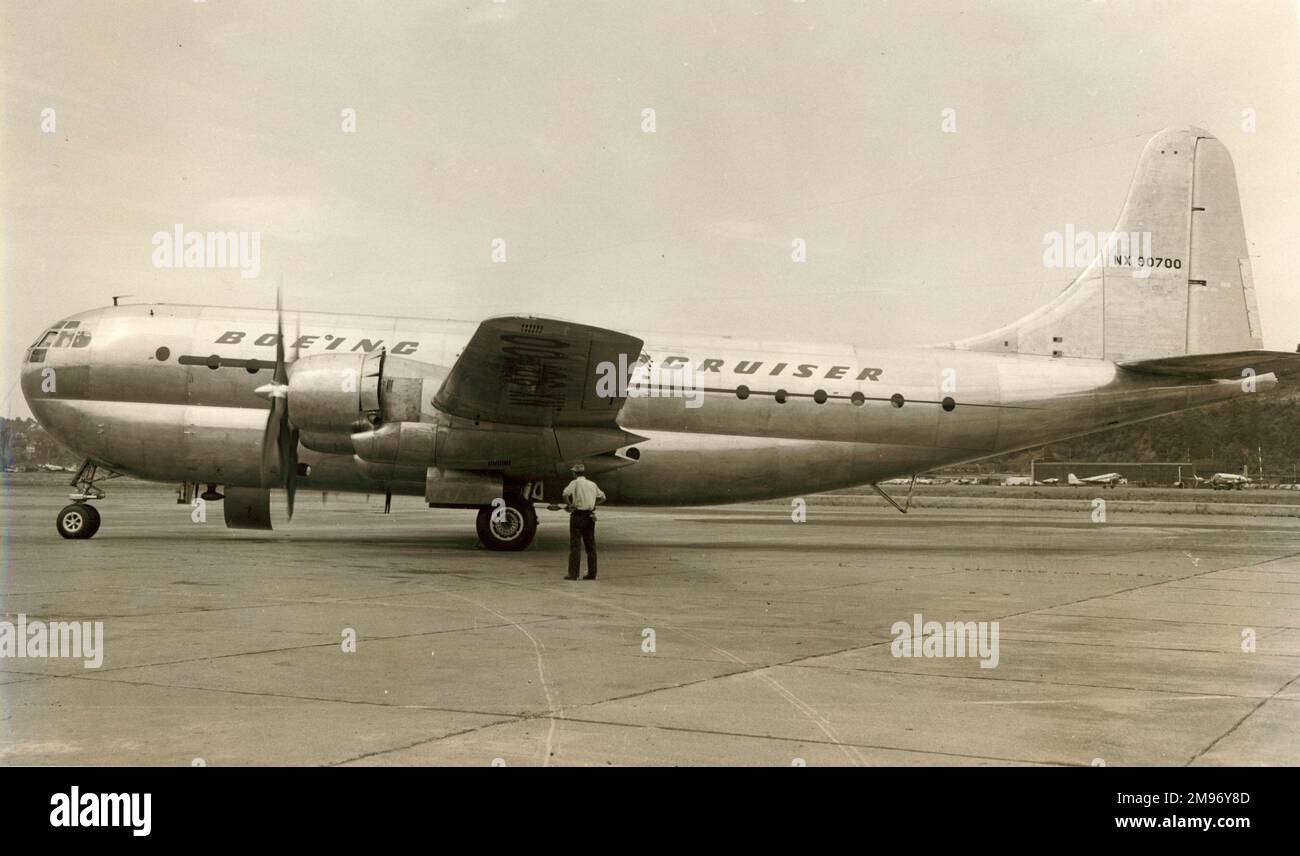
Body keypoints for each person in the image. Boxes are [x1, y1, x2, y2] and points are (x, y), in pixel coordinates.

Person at [561, 463, 605, 580]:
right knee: (590, 546)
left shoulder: (575, 483)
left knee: (575, 545)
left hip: (578, 516)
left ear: (574, 473)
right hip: (590, 516)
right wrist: (593, 504)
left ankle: (573, 574)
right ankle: (592, 573)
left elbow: (565, 494)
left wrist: (570, 505)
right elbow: (603, 497)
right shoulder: (592, 484)